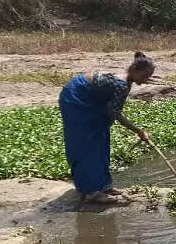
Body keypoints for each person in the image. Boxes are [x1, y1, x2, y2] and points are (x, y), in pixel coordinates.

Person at [58, 52, 155, 204]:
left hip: (90, 98)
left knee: (101, 139)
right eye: (144, 76)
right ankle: (91, 191)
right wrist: (139, 131)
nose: (145, 81)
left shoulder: (126, 82)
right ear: (135, 70)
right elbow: (115, 114)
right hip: (75, 97)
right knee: (86, 144)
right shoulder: (122, 84)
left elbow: (110, 112)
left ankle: (103, 186)